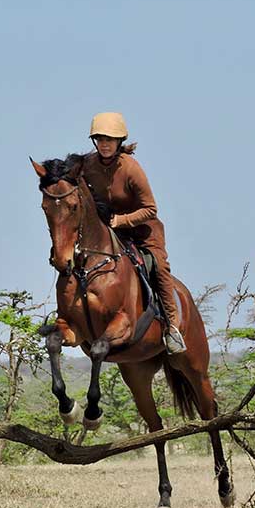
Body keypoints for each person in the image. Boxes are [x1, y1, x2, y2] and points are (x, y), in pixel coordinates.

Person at [82, 112, 187, 354]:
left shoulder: (131, 168)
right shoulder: (88, 165)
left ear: (119, 141)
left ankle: (172, 327)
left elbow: (150, 208)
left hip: (142, 232)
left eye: (110, 139)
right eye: (100, 139)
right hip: (108, 232)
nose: (105, 144)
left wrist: (121, 220)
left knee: (159, 266)